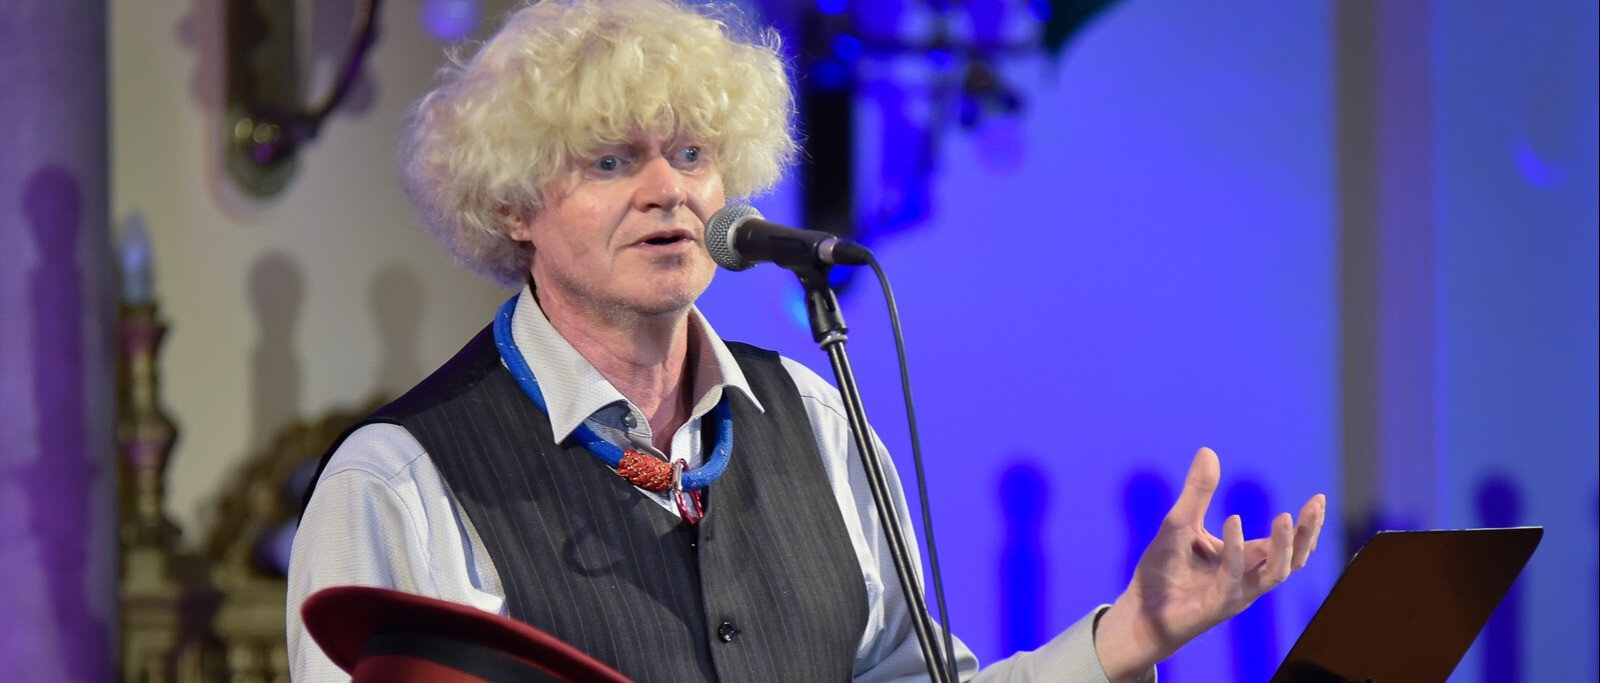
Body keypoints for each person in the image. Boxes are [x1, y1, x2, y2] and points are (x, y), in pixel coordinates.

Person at [286, 0, 1327, 680]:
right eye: (611, 160)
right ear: (514, 203)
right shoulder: (400, 478)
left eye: (692, 153)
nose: (667, 190)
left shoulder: (816, 417)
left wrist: (1127, 634)